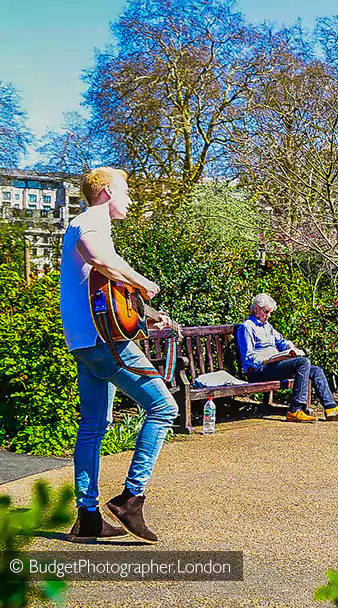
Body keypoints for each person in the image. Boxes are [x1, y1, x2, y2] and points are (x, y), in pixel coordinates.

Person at [60, 167, 177, 543]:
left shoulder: (86, 224)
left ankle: (88, 516)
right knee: (164, 408)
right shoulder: (91, 222)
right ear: (107, 192)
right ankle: (131, 498)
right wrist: (142, 281)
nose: (131, 200)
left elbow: (105, 297)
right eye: (127, 192)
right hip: (104, 343)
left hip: (87, 343)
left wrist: (149, 318)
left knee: (93, 426)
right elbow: (98, 259)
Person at [236, 294, 338, 422]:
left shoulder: (267, 326)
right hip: (259, 370)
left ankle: (331, 408)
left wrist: (289, 347)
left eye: (270, 312)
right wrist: (272, 359)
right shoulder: (247, 327)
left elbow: (281, 341)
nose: (268, 315)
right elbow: (248, 358)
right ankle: (295, 410)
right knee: (303, 363)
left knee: (315, 370)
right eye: (266, 312)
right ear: (256, 309)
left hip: (274, 365)